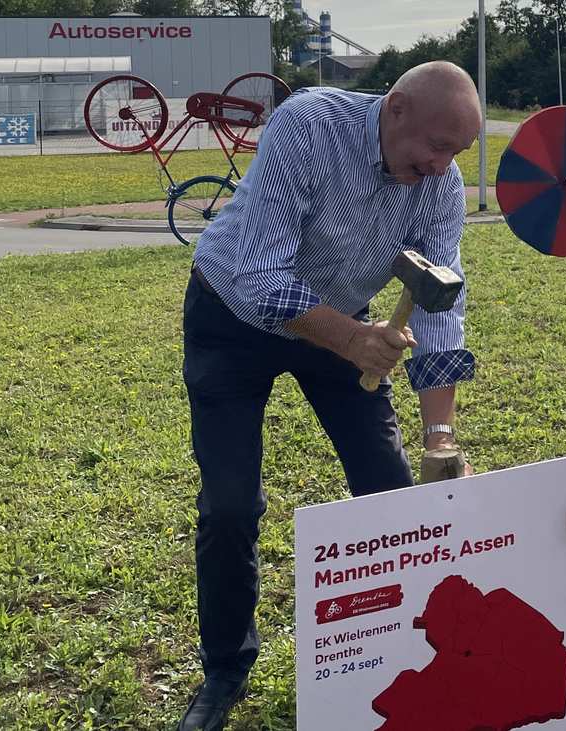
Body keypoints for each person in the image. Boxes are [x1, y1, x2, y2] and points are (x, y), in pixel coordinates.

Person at [178, 61, 481, 730]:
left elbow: (439, 308)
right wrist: (350, 340)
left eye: (455, 153)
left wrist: (442, 438)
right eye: (436, 146)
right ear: (395, 109)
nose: (441, 166)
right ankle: (225, 668)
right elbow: (260, 273)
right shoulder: (308, 128)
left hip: (343, 322)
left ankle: (402, 653)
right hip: (233, 316)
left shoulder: (440, 183)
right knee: (230, 504)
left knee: (392, 492)